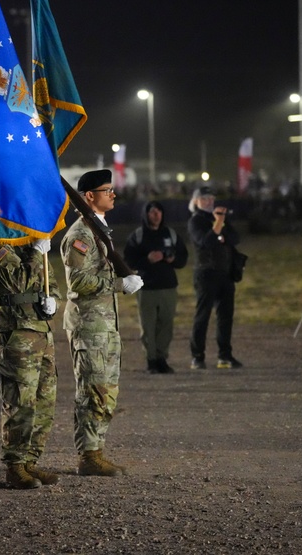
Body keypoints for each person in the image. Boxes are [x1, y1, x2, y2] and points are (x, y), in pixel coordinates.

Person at [60, 170, 143, 477]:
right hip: (89, 325)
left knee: (106, 390)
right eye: (107, 190)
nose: (113, 194)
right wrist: (117, 283)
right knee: (92, 390)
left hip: (105, 325)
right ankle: (88, 455)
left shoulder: (98, 229)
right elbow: (78, 281)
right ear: (89, 197)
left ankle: (97, 449)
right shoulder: (81, 234)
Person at [0, 234, 61, 489]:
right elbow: (20, 282)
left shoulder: (29, 245)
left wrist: (54, 301)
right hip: (15, 333)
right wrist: (36, 253)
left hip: (40, 332)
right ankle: (15, 466)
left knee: (44, 402)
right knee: (19, 402)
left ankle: (30, 462)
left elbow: (51, 283)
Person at [123, 201, 189, 373]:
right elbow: (128, 260)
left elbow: (183, 257)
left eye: (159, 211)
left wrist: (172, 259)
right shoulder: (138, 236)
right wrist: (147, 261)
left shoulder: (171, 234)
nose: (156, 215)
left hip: (168, 286)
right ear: (146, 215)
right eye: (152, 212)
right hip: (147, 288)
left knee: (166, 324)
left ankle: (162, 358)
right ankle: (151, 360)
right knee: (148, 326)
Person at [187, 186, 242, 370]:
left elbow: (235, 238)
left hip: (225, 274)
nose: (210, 201)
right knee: (202, 316)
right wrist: (219, 225)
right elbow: (206, 241)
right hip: (206, 273)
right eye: (205, 198)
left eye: (211, 198)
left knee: (226, 317)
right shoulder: (196, 221)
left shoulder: (218, 218)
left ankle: (225, 355)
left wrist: (220, 227)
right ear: (196, 202)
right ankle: (197, 356)